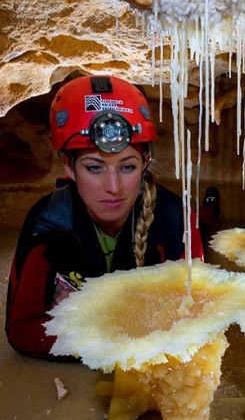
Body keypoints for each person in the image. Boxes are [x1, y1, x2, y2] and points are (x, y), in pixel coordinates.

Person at [5, 75, 217, 360]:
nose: (113, 187)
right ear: (68, 166)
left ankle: (211, 204)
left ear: (145, 162)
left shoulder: (175, 218)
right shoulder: (47, 222)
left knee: (203, 226)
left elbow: (192, 325)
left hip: (183, 221)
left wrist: (88, 314)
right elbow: (22, 331)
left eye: (127, 167)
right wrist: (140, 319)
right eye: (94, 168)